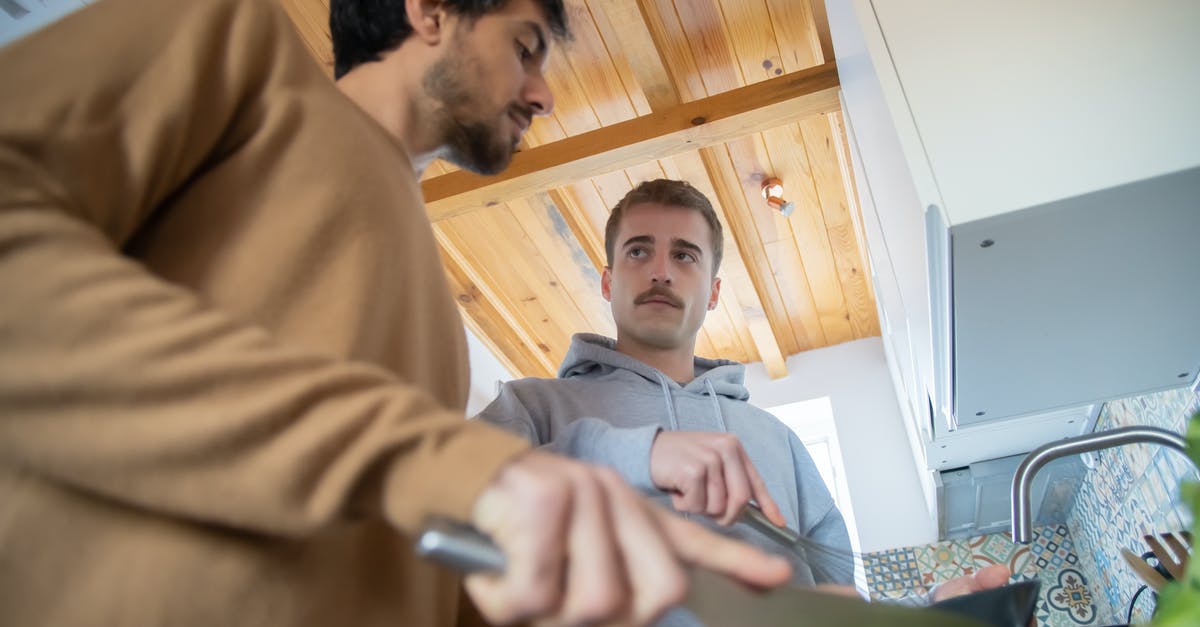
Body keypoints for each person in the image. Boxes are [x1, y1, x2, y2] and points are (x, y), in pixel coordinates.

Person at [0, 1, 795, 626]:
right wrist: (463, 470)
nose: (544, 92)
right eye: (525, 46)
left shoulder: (439, 324)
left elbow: (399, 565)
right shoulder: (229, 43)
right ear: (431, 11)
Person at [476, 179, 1012, 623]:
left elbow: (836, 612)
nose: (661, 269)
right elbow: (439, 508)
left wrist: (931, 611)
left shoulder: (777, 440)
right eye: (639, 250)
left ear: (712, 292)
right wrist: (635, 455)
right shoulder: (532, 407)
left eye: (684, 255)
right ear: (608, 281)